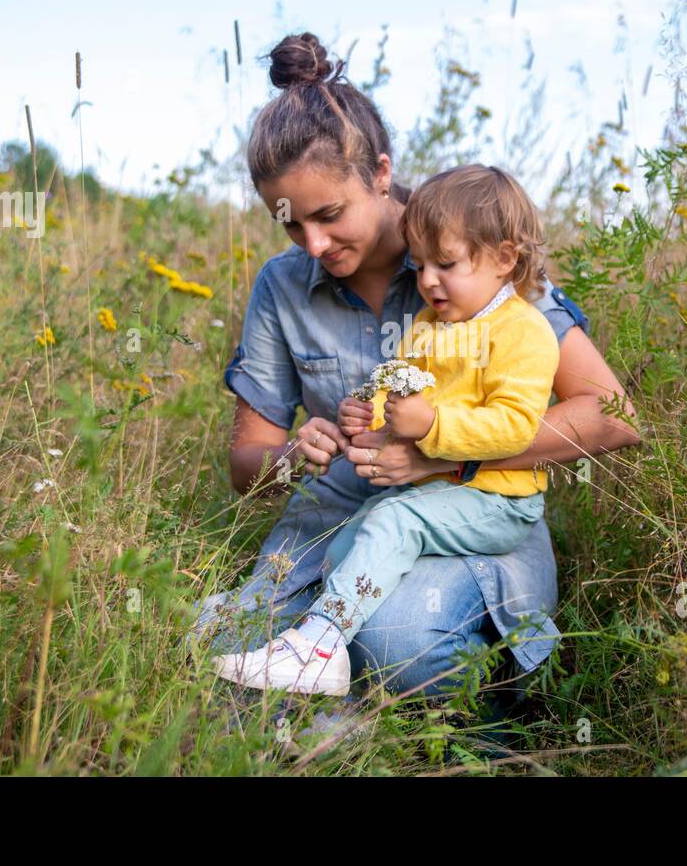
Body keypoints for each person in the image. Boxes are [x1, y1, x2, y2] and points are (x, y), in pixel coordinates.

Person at [192, 31, 640, 704]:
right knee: (214, 642)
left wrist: (440, 459)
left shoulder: (472, 254)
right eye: (291, 225)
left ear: (379, 171)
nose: (314, 244)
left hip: (475, 516)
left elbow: (610, 415)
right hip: (334, 525)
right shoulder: (281, 288)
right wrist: (294, 453)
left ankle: (489, 740)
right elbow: (246, 467)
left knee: (401, 641)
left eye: (330, 215)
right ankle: (335, 725)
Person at [213, 165, 561, 695]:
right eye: (418, 265)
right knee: (346, 546)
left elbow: (516, 427)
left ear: (505, 259)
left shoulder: (523, 331)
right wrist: (367, 413)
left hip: (499, 499)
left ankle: (322, 646)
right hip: (436, 492)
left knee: (393, 521)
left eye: (444, 265)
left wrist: (432, 428)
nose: (425, 281)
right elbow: (395, 383)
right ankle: (322, 651)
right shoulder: (429, 323)